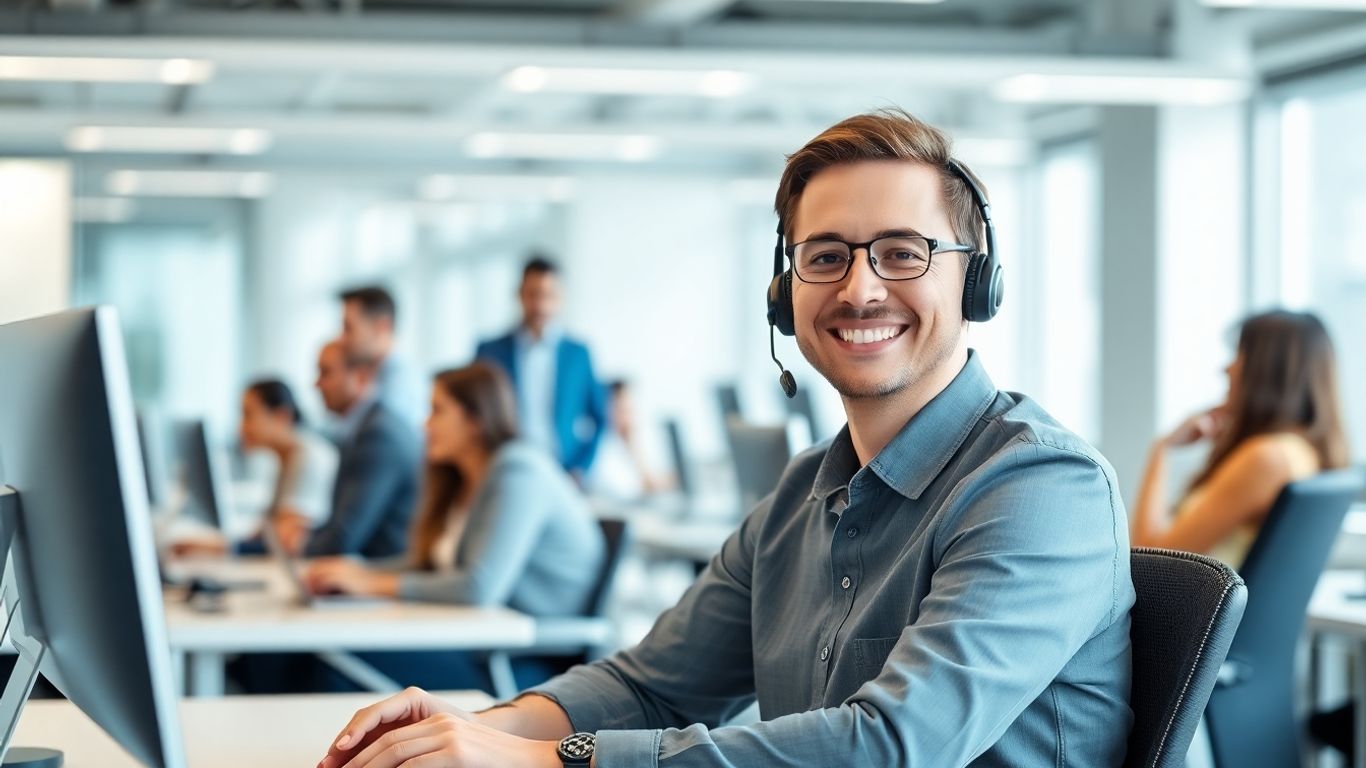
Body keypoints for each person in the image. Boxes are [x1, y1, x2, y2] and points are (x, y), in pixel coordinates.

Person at [319, 108, 1134, 768]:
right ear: (785, 295)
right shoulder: (800, 496)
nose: (859, 288)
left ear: (975, 279)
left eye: (901, 253)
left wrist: (546, 761)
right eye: (826, 256)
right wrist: (472, 732)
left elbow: (892, 746)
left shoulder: (1041, 488)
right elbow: (650, 687)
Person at [303, 362, 606, 692]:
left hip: (521, 662)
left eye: (437, 411)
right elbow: (430, 563)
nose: (425, 424)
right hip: (478, 642)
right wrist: (356, 571)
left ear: (475, 420)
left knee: (332, 660)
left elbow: (477, 588)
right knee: (323, 651)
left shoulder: (519, 472)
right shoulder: (464, 480)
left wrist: (370, 584)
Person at [1131, 309, 1349, 567]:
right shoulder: (1301, 451)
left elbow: (1149, 562)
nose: (1227, 368)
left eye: (1239, 354)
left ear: (1267, 369)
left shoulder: (1267, 458)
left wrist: (1161, 449)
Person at [171, 379, 339, 556]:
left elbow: (284, 541)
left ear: (281, 416)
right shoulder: (288, 458)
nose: (241, 428)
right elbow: (265, 533)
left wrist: (219, 548)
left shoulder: (310, 457)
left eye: (248, 415)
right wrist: (214, 544)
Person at [476, 257, 607, 479]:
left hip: (563, 471)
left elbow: (600, 418)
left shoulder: (578, 354)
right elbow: (476, 414)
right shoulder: (490, 351)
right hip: (506, 469)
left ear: (561, 298)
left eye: (549, 295)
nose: (540, 305)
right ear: (519, 294)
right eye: (533, 294)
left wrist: (581, 467)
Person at [306, 339, 420, 558]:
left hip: (382, 569)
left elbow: (344, 538)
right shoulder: (364, 427)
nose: (316, 385)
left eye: (325, 373)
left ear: (360, 376)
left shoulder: (378, 435)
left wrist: (300, 543)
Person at [339, 285, 426, 429]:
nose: (341, 339)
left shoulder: (398, 387)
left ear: (382, 327)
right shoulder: (374, 378)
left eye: (348, 328)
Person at [586, 380, 669, 501]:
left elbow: (654, 480)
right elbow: (630, 491)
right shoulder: (600, 448)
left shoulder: (635, 441)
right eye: (622, 410)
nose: (628, 417)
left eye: (631, 409)